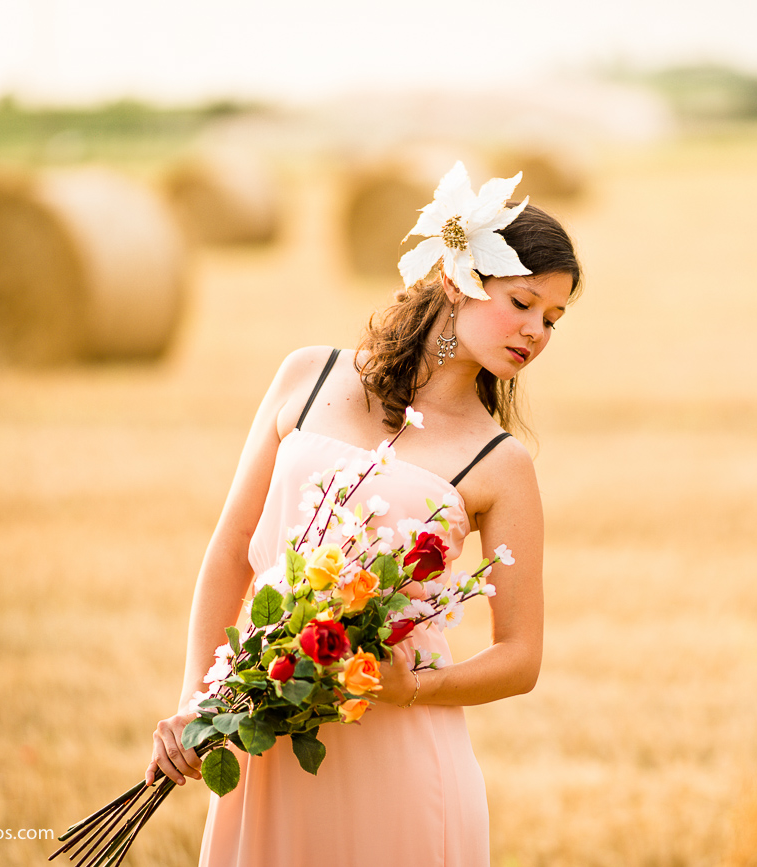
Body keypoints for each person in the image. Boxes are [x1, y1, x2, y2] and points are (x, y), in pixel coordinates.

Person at [146, 161, 583, 866]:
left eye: (553, 319)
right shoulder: (307, 375)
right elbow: (231, 553)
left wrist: (413, 687)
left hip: (403, 768)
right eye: (524, 302)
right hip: (268, 743)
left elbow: (521, 657)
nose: (536, 332)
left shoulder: (500, 465)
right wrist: (201, 699)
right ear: (458, 278)